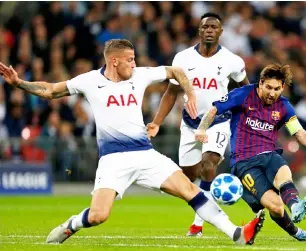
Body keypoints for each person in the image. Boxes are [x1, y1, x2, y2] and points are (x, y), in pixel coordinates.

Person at [0, 39, 264, 245]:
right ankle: (72, 225)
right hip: (113, 161)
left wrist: (190, 93)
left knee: (190, 190)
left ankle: (237, 233)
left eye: (135, 59)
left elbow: (177, 71)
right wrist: (19, 83)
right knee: (98, 216)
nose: (135, 64)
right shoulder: (89, 81)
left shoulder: (140, 75)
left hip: (146, 155)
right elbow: (51, 90)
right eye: (130, 60)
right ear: (114, 61)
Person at [194, 63, 306, 241]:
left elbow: (299, 133)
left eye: (276, 89)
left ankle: (296, 206)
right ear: (260, 83)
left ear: (282, 87)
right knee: (276, 206)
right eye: (268, 87)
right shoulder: (243, 94)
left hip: (269, 155)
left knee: (283, 173)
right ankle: (296, 232)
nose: (272, 93)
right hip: (244, 163)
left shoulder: (284, 106)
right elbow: (214, 109)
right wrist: (201, 129)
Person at [146, 12, 250, 237]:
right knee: (188, 177)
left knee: (209, 164)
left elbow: (245, 90)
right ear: (199, 31)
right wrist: (156, 122)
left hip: (218, 122)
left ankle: (198, 224)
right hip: (190, 124)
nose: (210, 30)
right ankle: (190, 194)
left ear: (221, 32)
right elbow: (171, 93)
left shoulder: (232, 60)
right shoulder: (182, 59)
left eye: (214, 27)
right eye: (206, 27)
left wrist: (246, 120)